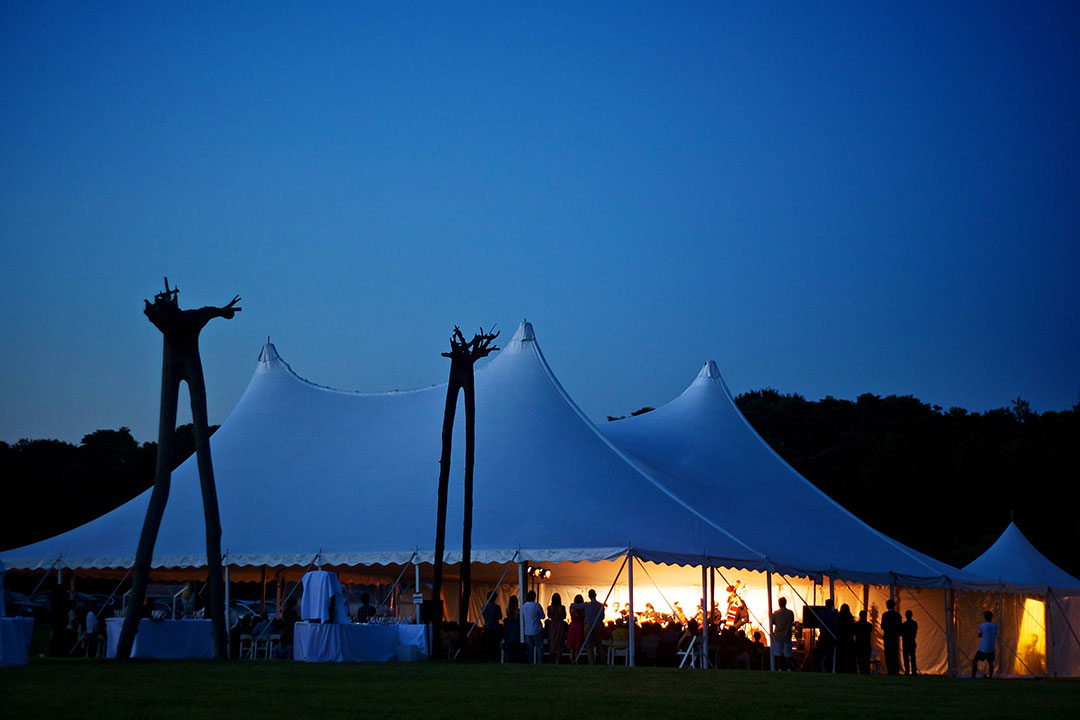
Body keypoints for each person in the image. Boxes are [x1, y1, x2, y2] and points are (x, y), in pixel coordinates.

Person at [521, 590, 546, 664]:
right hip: (536, 629)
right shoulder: (536, 605)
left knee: (529, 648)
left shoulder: (524, 606)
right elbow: (542, 616)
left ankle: (530, 662)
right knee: (539, 647)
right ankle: (540, 662)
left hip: (527, 630)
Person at [770, 597, 795, 671]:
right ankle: (788, 668)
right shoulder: (790, 613)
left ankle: (779, 668)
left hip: (778, 636)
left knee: (778, 653)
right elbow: (792, 621)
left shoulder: (776, 613)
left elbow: (773, 622)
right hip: (787, 635)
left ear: (779, 603)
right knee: (788, 653)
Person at [972, 610, 998, 678]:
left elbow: (979, 634)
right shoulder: (995, 626)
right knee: (990, 663)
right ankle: (990, 677)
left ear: (985, 617)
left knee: (975, 661)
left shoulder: (982, 625)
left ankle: (973, 676)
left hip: (983, 647)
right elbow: (994, 634)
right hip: (991, 647)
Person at [583, 589, 605, 664]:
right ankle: (603, 660)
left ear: (589, 596)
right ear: (595, 595)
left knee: (589, 645)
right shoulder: (600, 605)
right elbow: (602, 617)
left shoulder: (586, 605)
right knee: (599, 643)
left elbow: (574, 605)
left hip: (588, 625)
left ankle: (591, 662)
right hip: (597, 625)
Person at [816, 598, 838, 673]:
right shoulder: (834, 614)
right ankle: (828, 668)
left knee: (820, 653)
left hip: (823, 635)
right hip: (831, 636)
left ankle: (819, 668)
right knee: (829, 653)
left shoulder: (821, 613)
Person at [881, 599, 902, 676]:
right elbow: (900, 626)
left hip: (887, 636)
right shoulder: (897, 615)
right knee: (895, 653)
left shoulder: (885, 615)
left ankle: (889, 670)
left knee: (888, 653)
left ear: (887, 606)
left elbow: (882, 626)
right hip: (894, 636)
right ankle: (895, 670)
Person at [480, 591, 503, 662]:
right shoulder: (496, 607)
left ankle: (488, 658)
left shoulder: (484, 607)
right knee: (495, 645)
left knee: (488, 644)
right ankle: (494, 658)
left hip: (487, 628)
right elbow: (500, 616)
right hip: (495, 628)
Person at [547, 593, 567, 664]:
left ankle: (552, 661)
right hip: (560, 625)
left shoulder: (550, 608)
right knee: (559, 642)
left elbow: (549, 616)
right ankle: (558, 661)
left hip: (552, 625)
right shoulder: (562, 607)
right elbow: (564, 616)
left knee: (552, 642)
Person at [836, 603, 856, 673]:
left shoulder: (838, 617)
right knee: (849, 656)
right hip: (849, 639)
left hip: (841, 639)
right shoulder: (850, 617)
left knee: (841, 656)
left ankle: (841, 669)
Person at [567, 594, 586, 662]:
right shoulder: (583, 608)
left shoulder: (572, 607)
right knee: (578, 642)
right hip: (580, 626)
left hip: (573, 626)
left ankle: (571, 658)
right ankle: (576, 658)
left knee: (572, 643)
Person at [853, 609, 873, 674]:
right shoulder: (869, 625)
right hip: (866, 644)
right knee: (866, 660)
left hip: (859, 644)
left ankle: (861, 671)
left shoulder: (856, 625)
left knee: (860, 660)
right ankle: (867, 671)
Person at [504, 595, 521, 662]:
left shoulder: (508, 609)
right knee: (515, 642)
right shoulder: (518, 611)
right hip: (516, 627)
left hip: (509, 627)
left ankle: (509, 657)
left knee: (509, 643)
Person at [901, 609, 918, 676]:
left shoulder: (904, 624)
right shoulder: (914, 623)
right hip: (912, 641)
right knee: (913, 657)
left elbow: (901, 633)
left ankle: (907, 671)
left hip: (905, 642)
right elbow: (915, 633)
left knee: (906, 657)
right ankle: (914, 671)